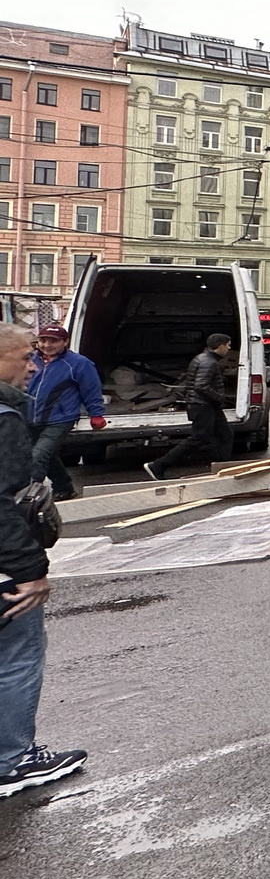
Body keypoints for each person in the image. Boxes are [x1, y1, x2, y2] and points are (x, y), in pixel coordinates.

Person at [0, 321, 87, 797]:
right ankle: (13, 760)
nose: (32, 364)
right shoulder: (3, 417)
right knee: (16, 657)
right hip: (5, 571)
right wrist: (30, 571)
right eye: (23, 357)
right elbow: (2, 501)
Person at [24, 325, 106, 502]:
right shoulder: (30, 360)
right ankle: (64, 488)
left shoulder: (79, 363)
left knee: (38, 456)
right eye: (43, 340)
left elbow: (91, 389)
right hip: (29, 417)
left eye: (53, 341)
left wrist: (96, 414)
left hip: (60, 419)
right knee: (48, 456)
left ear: (65, 342)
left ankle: (28, 497)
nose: (47, 345)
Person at [143, 333, 234, 481]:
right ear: (221, 345)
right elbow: (201, 386)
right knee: (199, 437)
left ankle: (222, 470)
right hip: (203, 405)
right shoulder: (208, 362)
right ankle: (159, 465)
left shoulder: (203, 358)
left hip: (207, 405)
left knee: (226, 435)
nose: (229, 348)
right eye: (228, 345)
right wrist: (219, 398)